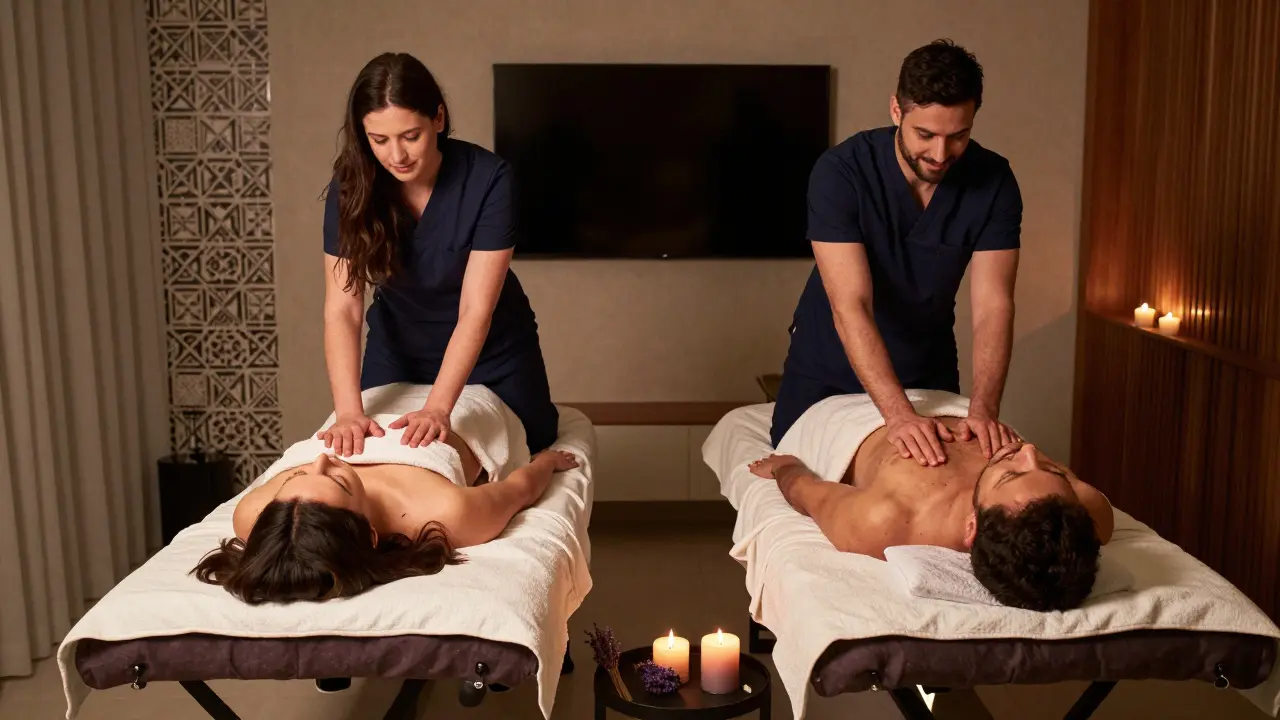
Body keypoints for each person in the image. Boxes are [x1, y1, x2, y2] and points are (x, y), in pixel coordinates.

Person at [771, 39, 1022, 467]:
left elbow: (993, 306)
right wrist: (898, 415)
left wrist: (984, 410)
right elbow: (851, 304)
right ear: (895, 111)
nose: (941, 155)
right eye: (925, 135)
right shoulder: (842, 172)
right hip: (828, 367)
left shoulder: (993, 180)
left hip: (927, 368)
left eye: (958, 136)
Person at [319, 52, 558, 457]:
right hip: (398, 350)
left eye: (410, 136)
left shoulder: (489, 179)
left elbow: (475, 312)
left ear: (439, 119)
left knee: (529, 445)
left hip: (492, 352)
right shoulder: (352, 187)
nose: (397, 155)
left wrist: (438, 409)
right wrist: (347, 412)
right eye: (379, 140)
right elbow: (344, 308)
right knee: (376, 451)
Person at [750, 400, 1114, 612]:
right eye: (1051, 470)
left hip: (844, 412)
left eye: (1009, 475)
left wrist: (785, 466)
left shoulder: (886, 521)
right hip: (951, 398)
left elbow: (806, 492)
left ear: (972, 526)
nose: (1028, 451)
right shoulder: (1087, 511)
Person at [192, 424, 578, 605]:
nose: (323, 458)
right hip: (475, 392)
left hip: (374, 393)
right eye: (340, 483)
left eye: (295, 475)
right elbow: (518, 490)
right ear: (370, 535)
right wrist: (546, 461)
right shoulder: (446, 513)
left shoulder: (253, 516)